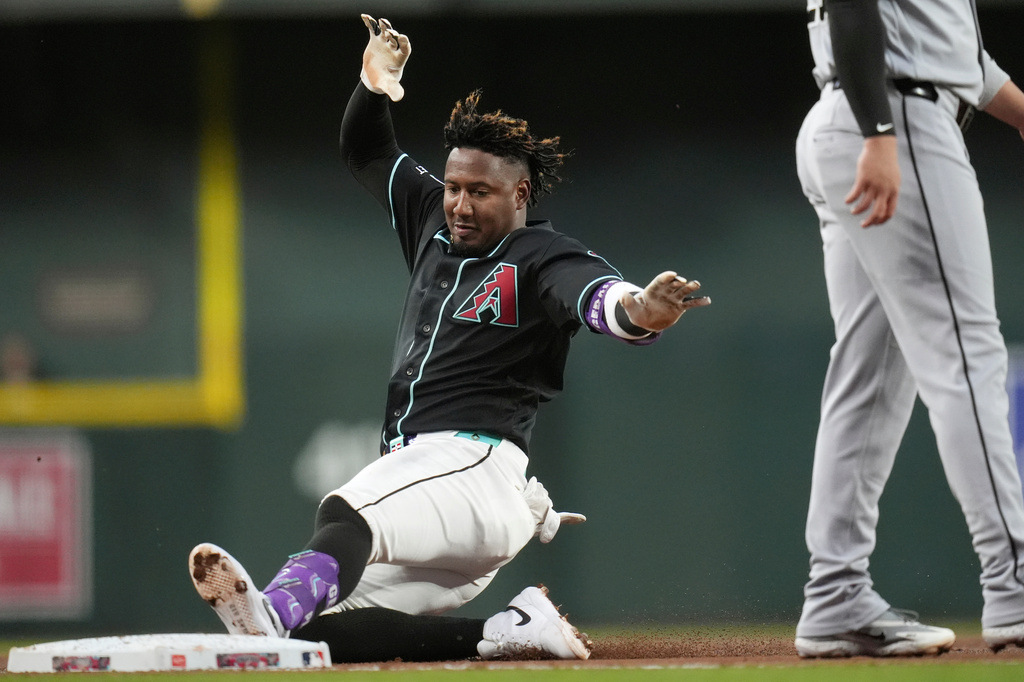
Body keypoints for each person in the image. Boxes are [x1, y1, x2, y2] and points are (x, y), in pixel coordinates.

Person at [188, 14, 710, 663]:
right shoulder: (435, 221)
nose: (459, 204)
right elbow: (366, 152)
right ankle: (508, 629)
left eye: (479, 192)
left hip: (470, 472)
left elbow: (599, 299)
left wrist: (642, 309)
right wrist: (373, 85)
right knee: (315, 638)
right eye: (455, 187)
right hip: (444, 507)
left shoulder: (541, 254)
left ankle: (269, 611)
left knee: (346, 513)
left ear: (520, 193)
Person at [794, 0, 1024, 659]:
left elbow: (956, 52)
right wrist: (880, 133)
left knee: (870, 377)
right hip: (895, 120)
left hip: (863, 117)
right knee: (965, 353)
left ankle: (835, 593)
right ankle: (1015, 582)